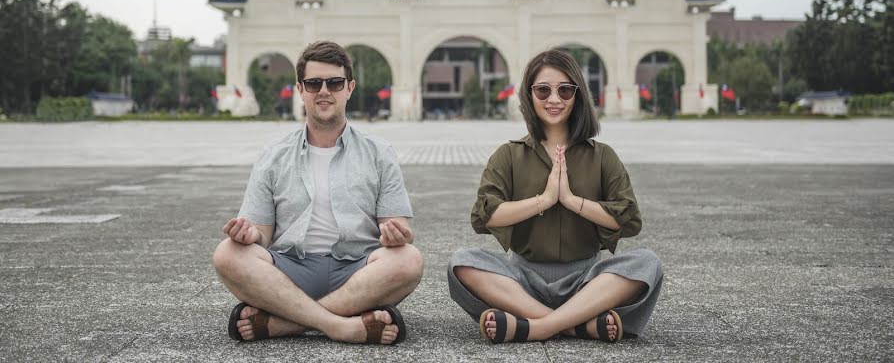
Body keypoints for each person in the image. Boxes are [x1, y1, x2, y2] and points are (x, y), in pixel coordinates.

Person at [213, 41, 423, 345]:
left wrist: (396, 236)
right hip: (289, 269)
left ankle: (284, 324)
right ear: (301, 89)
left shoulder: (380, 154)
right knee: (228, 253)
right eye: (314, 83)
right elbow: (261, 234)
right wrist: (249, 236)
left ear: (349, 88)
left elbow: (400, 229)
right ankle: (341, 325)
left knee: (409, 260)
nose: (324, 91)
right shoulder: (273, 155)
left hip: (356, 271)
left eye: (334, 83)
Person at [447, 49, 663, 344]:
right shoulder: (508, 155)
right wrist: (545, 200)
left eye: (565, 90)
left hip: (587, 281)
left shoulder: (602, 156)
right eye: (543, 90)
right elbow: (485, 215)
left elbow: (627, 220)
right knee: (462, 261)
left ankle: (535, 327)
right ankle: (577, 325)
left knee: (647, 263)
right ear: (529, 94)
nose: (554, 99)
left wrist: (572, 201)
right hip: (523, 281)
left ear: (578, 95)